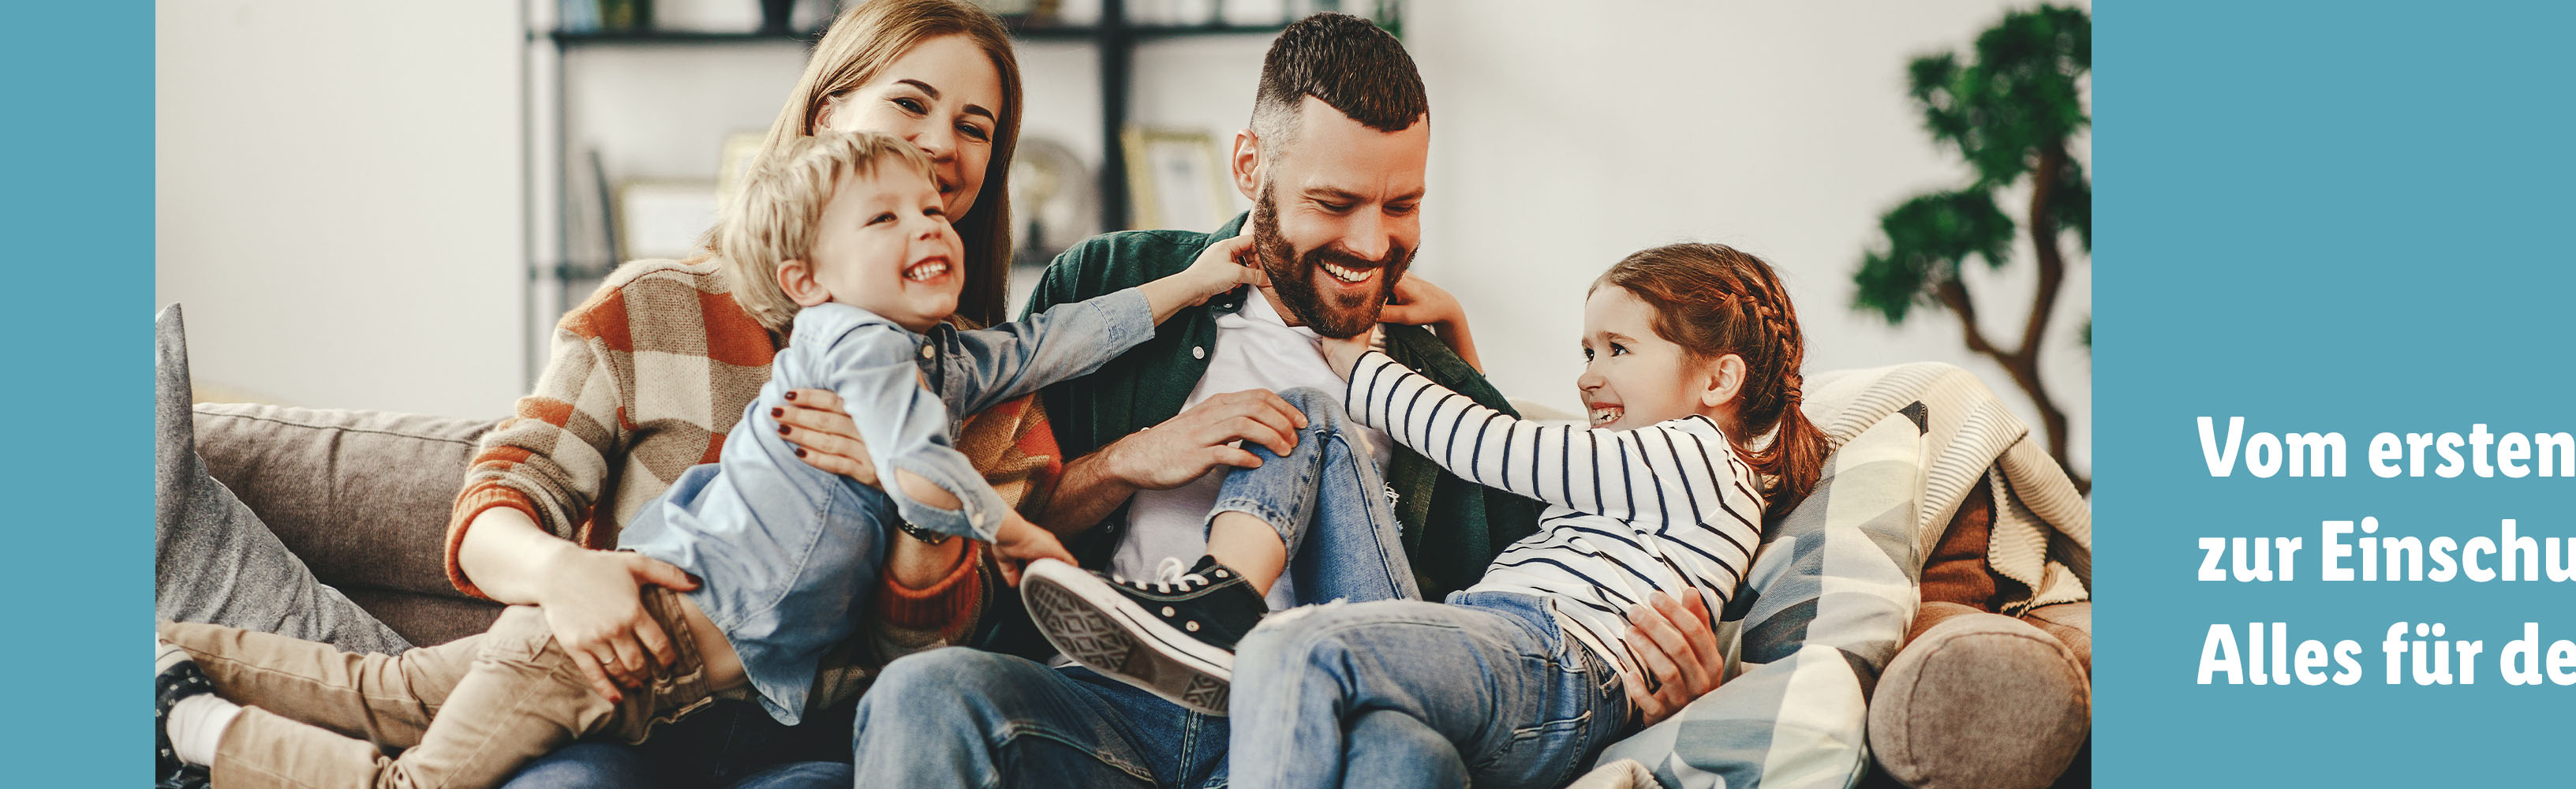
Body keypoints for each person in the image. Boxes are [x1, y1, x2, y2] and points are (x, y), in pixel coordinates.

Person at [152, 133, 1258, 789]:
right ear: (809, 277)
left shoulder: (939, 358)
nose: (932, 222)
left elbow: (1044, 344)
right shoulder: (853, 344)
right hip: (607, 642)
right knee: (414, 776)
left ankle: (156, 653)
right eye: (888, 214)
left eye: (938, 204)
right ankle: (199, 732)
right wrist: (1015, 533)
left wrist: (1194, 284)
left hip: (667, 690)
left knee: (379, 689)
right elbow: (920, 463)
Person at [152, 2, 1035, 787]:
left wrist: (910, 490)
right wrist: (564, 573)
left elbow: (927, 676)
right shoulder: (655, 305)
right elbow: (498, 500)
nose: (941, 144)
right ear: (827, 112)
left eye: (975, 126)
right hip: (608, 709)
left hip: (805, 745)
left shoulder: (984, 386)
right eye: (911, 103)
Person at [852, 13, 1731, 787]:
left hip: (1310, 726)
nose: (1372, 242)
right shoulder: (1115, 283)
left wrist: (1664, 687)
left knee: (1412, 760)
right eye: (1334, 202)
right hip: (1103, 708)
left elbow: (1516, 615)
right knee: (924, 694)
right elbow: (1004, 518)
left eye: (1402, 205)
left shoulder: (1439, 391)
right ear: (1250, 165)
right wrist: (1130, 460)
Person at [1224, 243, 1827, 788]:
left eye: (1617, 349)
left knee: (1293, 648)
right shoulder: (1651, 478)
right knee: (1396, 754)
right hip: (1511, 661)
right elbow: (1516, 463)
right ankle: (1218, 589)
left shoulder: (1697, 454)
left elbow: (1495, 448)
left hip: (1557, 662)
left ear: (1720, 379)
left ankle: (1211, 623)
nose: (1587, 377)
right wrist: (1455, 329)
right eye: (1589, 351)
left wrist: (1359, 364)